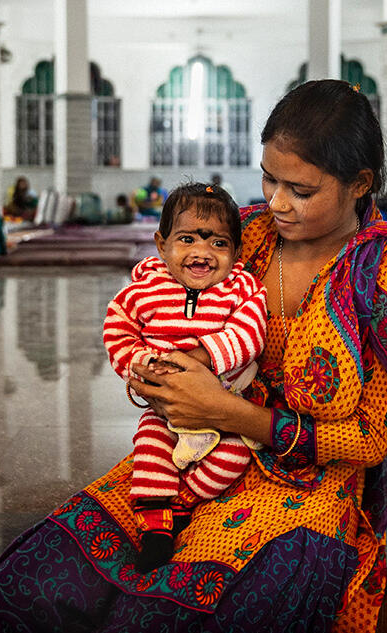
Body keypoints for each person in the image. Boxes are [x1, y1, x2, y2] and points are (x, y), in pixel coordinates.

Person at [0, 79, 387, 633]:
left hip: (305, 489)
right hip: (185, 456)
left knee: (157, 621)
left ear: (360, 184)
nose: (276, 202)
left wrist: (228, 414)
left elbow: (373, 439)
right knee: (22, 592)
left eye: (300, 190)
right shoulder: (245, 236)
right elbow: (155, 311)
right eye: (269, 178)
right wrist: (154, 375)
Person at [103, 182, 267, 574]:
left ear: (236, 251)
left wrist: (201, 358)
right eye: (187, 239)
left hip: (225, 407)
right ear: (162, 245)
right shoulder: (145, 289)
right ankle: (158, 524)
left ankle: (186, 502)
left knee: (237, 455)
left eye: (218, 244)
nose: (201, 253)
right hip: (165, 408)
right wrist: (142, 365)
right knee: (150, 446)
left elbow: (250, 332)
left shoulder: (241, 288)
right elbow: (118, 328)